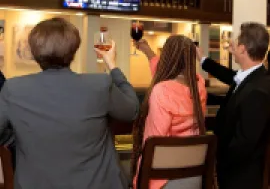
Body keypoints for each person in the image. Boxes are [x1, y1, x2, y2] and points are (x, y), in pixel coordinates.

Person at [0, 17, 139, 189]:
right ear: (74, 50)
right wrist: (112, 66)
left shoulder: (13, 89)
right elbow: (132, 110)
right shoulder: (99, 84)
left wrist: (18, 138)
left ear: (34, 52)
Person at [196, 22, 270, 189]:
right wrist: (203, 60)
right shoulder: (253, 77)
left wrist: (215, 161)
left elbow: (244, 144)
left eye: (235, 43)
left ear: (243, 49)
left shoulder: (258, 90)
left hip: (241, 178)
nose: (231, 47)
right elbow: (234, 93)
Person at [132, 36, 207, 189]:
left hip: (164, 177)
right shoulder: (199, 86)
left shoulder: (162, 90)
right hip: (194, 173)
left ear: (166, 57)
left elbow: (152, 144)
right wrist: (148, 52)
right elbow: (170, 81)